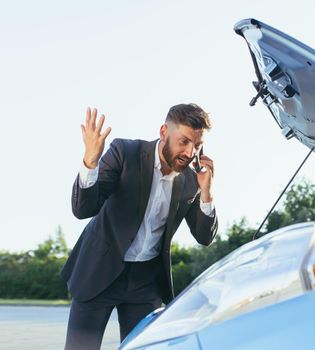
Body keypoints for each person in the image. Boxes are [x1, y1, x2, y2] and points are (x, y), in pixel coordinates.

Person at [61, 103, 218, 349]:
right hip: (99, 271)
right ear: (164, 131)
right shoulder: (125, 153)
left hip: (145, 284)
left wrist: (206, 192)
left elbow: (204, 236)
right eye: (183, 141)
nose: (189, 153)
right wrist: (90, 162)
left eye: (196, 146)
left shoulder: (191, 179)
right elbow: (83, 209)